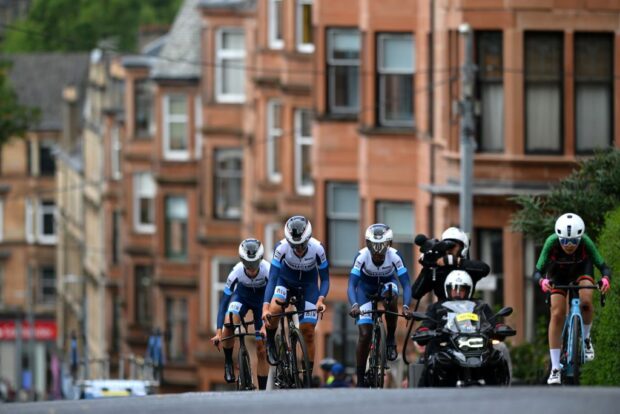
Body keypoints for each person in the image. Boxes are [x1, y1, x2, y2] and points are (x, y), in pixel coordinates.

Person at [533, 213, 611, 385]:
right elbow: (537, 271)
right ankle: (555, 368)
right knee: (557, 313)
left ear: (580, 238)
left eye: (574, 241)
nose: (569, 245)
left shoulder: (586, 242)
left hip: (581, 269)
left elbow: (603, 266)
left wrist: (605, 279)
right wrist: (542, 281)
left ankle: (587, 338)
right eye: (565, 241)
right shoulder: (551, 242)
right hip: (558, 273)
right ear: (559, 237)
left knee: (586, 302)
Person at [262, 216, 330, 379]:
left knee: (308, 332)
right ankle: (271, 341)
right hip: (285, 282)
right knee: (276, 308)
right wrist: (265, 308)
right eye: (294, 245)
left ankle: (307, 374)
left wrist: (321, 299)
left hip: (309, 287)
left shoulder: (318, 249)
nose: (298, 249)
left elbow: (325, 279)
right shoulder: (281, 248)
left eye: (301, 245)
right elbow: (272, 278)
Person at [348, 223, 412, 387]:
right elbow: (352, 285)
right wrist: (355, 304)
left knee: (391, 295)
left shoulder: (395, 256)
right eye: (373, 246)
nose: (377, 252)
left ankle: (390, 338)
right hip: (365, 290)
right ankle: (361, 378)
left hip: (386, 285)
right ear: (367, 244)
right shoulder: (361, 256)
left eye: (381, 246)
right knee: (364, 334)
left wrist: (405, 306)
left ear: (389, 244)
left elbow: (406, 284)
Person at [413, 270, 499, 387]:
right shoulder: (437, 307)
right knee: (432, 362)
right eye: (454, 289)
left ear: (469, 290)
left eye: (462, 289)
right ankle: (423, 395)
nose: (457, 293)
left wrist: (499, 328)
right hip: (445, 349)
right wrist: (424, 330)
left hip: (476, 349)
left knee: (497, 357)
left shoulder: (480, 306)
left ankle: (500, 390)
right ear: (447, 289)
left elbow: (493, 323)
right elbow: (426, 324)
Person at [211, 239, 270, 390]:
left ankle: (263, 390)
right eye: (247, 264)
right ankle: (228, 361)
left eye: (254, 263)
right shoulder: (236, 272)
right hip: (242, 298)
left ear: (261, 259)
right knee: (229, 319)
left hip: (261, 303)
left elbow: (273, 298)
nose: (251, 268)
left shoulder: (268, 270)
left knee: (261, 350)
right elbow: (223, 303)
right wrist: (219, 332)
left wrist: (265, 323)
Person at [411, 227, 490, 305]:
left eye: (453, 246)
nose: (449, 249)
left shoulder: (467, 267)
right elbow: (416, 293)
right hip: (442, 313)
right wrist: (428, 267)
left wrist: (456, 261)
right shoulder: (438, 269)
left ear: (463, 248)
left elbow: (485, 269)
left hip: (466, 311)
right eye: (446, 245)